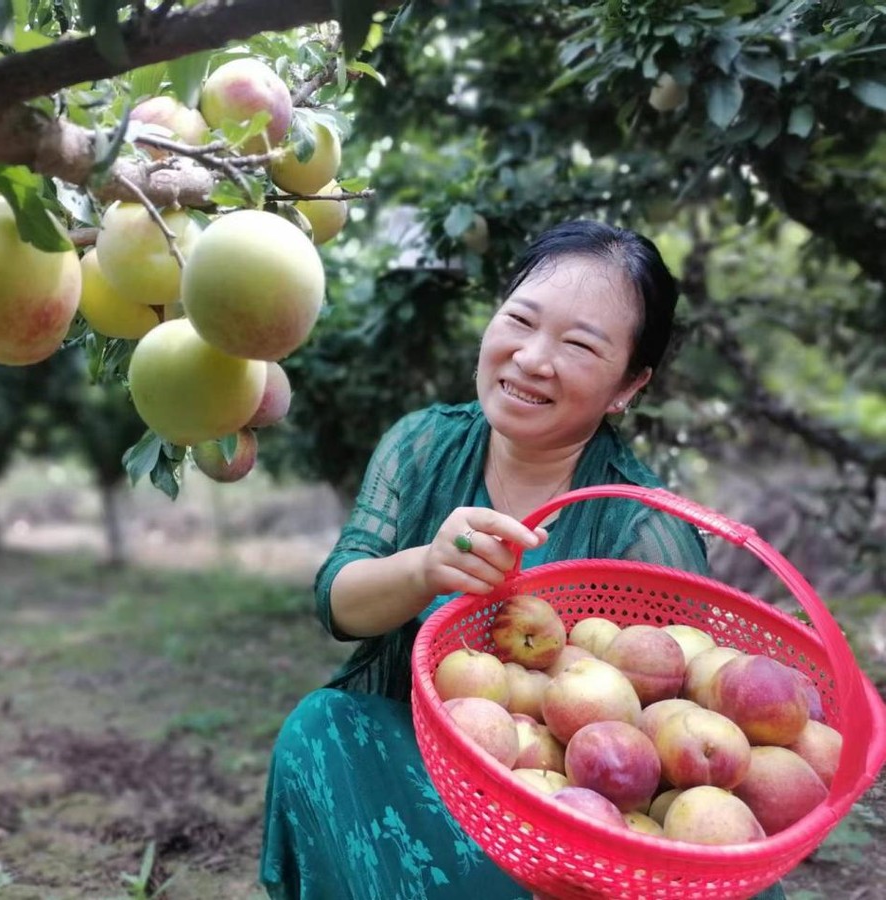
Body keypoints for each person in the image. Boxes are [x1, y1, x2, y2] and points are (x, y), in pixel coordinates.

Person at [259, 220, 786, 899]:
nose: (533, 359)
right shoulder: (422, 446)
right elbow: (338, 602)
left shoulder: (643, 527)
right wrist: (425, 568)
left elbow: (674, 731)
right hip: (420, 762)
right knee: (319, 728)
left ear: (629, 385)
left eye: (578, 345)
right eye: (522, 320)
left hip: (568, 811)